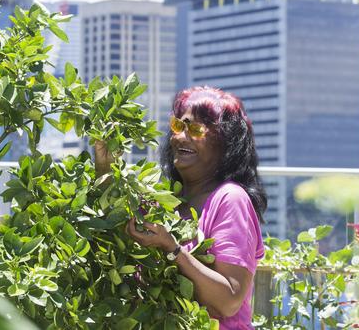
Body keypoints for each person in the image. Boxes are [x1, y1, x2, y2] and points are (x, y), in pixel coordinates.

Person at [95, 86, 267, 329]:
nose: (180, 137)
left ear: (225, 144)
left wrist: (172, 250)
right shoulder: (162, 198)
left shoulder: (230, 199)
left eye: (196, 129)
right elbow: (115, 227)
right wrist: (105, 166)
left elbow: (229, 301)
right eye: (178, 126)